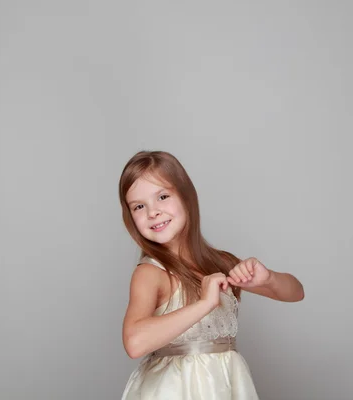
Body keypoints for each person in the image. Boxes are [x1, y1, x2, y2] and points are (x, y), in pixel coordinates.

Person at [119, 150, 304, 399]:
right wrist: (204, 304)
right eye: (139, 206)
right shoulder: (151, 272)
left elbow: (296, 292)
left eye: (163, 196)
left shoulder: (219, 263)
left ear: (186, 197)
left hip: (223, 387)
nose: (153, 212)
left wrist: (267, 279)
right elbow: (135, 343)